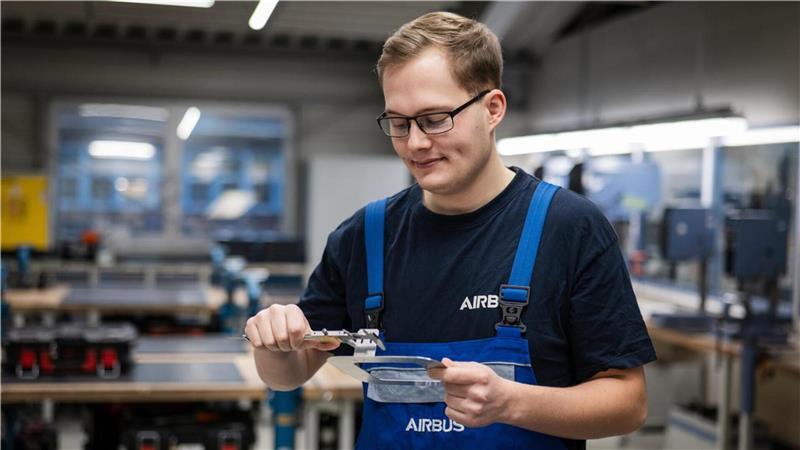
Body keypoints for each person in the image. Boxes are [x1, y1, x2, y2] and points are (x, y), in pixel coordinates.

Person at [245, 11, 656, 450]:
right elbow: (289, 374)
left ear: (493, 109)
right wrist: (275, 345)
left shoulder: (570, 228)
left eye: (435, 118)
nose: (416, 143)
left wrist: (511, 403)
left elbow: (628, 403)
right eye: (398, 124)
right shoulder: (365, 236)